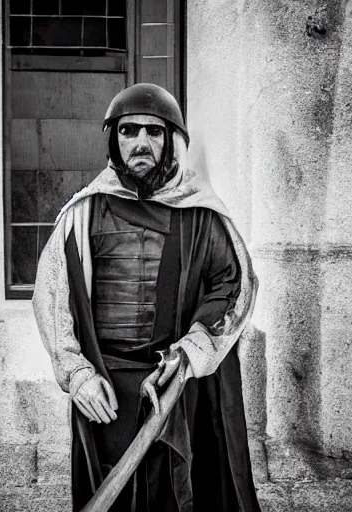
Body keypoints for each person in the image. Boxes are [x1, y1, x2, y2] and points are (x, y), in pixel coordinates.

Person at [33, 83, 261, 512]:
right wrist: (77, 373)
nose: (140, 142)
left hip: (170, 384)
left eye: (153, 132)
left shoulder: (201, 213)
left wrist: (190, 353)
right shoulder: (82, 213)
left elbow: (232, 284)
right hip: (105, 387)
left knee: (172, 496)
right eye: (129, 131)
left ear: (171, 141)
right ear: (114, 140)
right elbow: (52, 297)